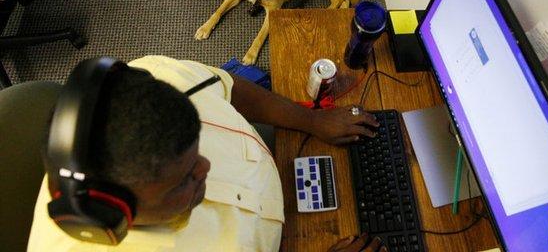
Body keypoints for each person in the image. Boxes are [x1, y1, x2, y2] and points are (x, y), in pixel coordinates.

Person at [28, 55, 386, 251]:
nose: (206, 168)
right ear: (110, 213)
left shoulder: (163, 77)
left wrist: (312, 120)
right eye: (182, 181)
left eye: (196, 152)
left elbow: (230, 89)